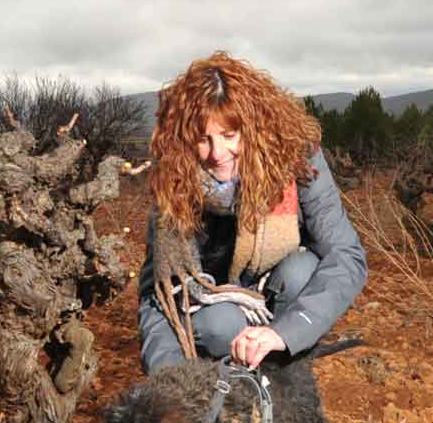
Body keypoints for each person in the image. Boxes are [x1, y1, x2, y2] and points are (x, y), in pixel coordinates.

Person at [137, 52, 367, 374]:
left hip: (274, 296)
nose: (218, 155)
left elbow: (346, 254)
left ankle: (282, 374)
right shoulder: (175, 181)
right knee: (221, 323)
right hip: (213, 307)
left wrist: (283, 334)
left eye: (230, 135)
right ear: (184, 141)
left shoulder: (297, 158)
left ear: (254, 128)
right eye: (203, 139)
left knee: (303, 272)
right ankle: (224, 382)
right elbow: (155, 294)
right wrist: (171, 378)